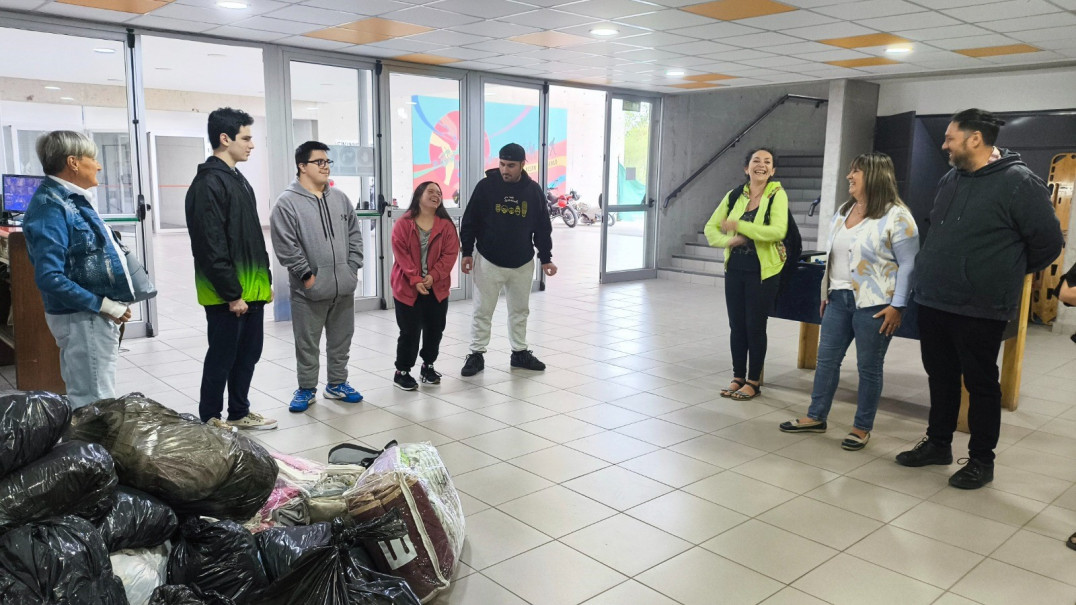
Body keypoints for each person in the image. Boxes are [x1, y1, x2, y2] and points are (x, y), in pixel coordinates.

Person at [896, 108, 1063, 489]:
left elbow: (1048, 245)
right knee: (940, 377)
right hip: (935, 298)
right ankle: (938, 444)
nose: (944, 145)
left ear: (975, 139)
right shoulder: (951, 178)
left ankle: (980, 461)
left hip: (981, 306)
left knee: (982, 385)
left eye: (950, 138)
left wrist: (997, 272)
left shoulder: (1020, 183)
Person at [779, 152, 919, 451]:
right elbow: (832, 257)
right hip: (837, 299)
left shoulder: (898, 216)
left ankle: (861, 427)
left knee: (869, 367)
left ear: (874, 175)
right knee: (826, 361)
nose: (849, 176)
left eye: (855, 171)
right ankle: (815, 417)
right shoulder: (844, 211)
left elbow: (909, 264)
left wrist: (899, 305)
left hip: (876, 304)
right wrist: (825, 292)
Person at [23, 130, 133, 408]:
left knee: (94, 393)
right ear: (73, 162)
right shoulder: (51, 206)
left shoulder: (70, 200)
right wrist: (103, 304)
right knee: (93, 401)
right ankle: (92, 449)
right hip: (81, 317)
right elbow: (50, 277)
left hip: (88, 316)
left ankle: (93, 447)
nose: (98, 165)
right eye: (93, 159)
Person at [185, 107, 277, 431]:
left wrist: (264, 280)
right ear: (225, 139)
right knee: (222, 358)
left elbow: (252, 238)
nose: (251, 144)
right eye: (246, 138)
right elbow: (211, 246)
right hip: (227, 297)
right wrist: (232, 294)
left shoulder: (238, 180)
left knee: (248, 355)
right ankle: (210, 419)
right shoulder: (208, 184)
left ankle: (239, 411)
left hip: (251, 290)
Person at [270, 141, 364, 413]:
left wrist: (352, 268)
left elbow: (355, 235)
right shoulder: (287, 203)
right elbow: (286, 246)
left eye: (327, 162)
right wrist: (307, 276)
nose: (325, 166)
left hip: (342, 287)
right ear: (302, 166)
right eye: (319, 162)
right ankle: (306, 387)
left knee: (341, 341)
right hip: (308, 291)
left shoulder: (340, 199)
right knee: (307, 343)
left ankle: (337, 384)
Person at [458, 143, 556, 376]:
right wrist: (467, 253)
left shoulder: (533, 192)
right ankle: (476, 354)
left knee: (520, 310)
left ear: (523, 164)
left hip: (522, 262)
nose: (505, 169)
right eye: (502, 164)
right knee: (483, 310)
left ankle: (519, 352)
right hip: (488, 260)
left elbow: (543, 227)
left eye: (511, 165)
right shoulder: (486, 187)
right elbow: (470, 221)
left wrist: (546, 258)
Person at [704, 147, 788, 401]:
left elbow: (777, 231)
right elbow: (711, 228)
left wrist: (740, 226)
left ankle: (753, 381)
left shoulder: (777, 195)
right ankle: (737, 376)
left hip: (763, 272)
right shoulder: (734, 196)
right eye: (755, 160)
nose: (760, 165)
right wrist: (728, 242)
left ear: (772, 171)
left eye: (767, 162)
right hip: (736, 269)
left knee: (755, 326)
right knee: (736, 326)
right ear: (746, 168)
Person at [390, 181, 459, 390]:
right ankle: (402, 371)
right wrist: (416, 279)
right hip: (407, 288)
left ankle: (428, 366)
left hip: (436, 289)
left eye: (439, 193)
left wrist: (434, 276)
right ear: (419, 195)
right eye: (431, 191)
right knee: (409, 331)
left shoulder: (446, 225)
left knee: (435, 330)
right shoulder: (404, 223)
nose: (436, 195)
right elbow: (401, 254)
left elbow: (450, 254)